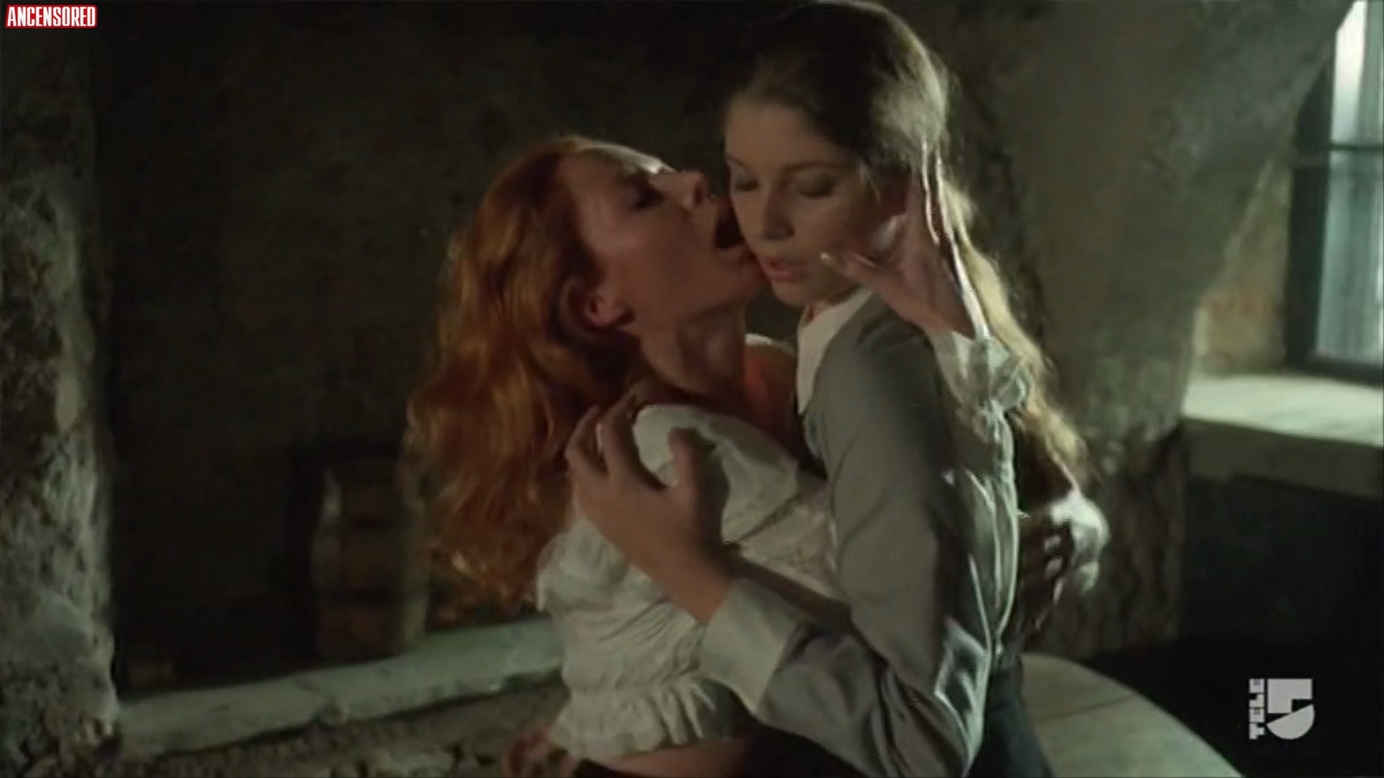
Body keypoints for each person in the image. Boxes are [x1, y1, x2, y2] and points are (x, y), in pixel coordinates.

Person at [561, 2, 1108, 777]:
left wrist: (697, 578)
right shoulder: (816, 334)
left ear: (901, 186)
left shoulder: (870, 368)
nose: (765, 223)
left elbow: (923, 741)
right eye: (744, 181)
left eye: (811, 187)